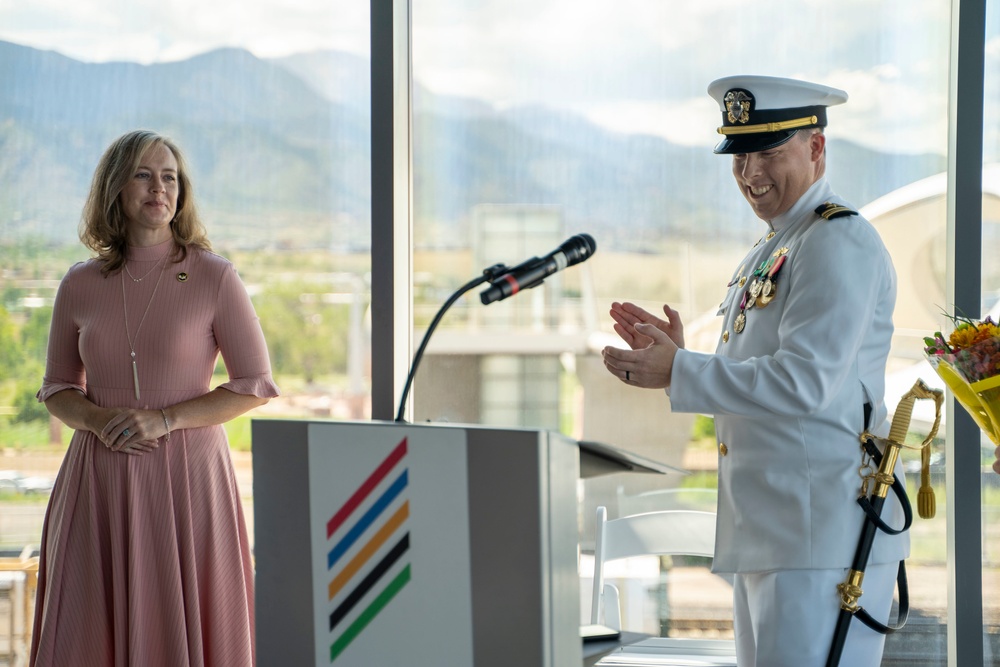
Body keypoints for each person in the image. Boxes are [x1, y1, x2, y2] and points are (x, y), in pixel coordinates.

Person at [601, 76, 908, 667]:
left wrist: (681, 371)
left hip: (818, 535)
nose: (750, 172)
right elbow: (768, 379)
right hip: (776, 528)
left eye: (770, 151)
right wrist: (681, 356)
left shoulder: (836, 240)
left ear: (816, 148)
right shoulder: (776, 245)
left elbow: (803, 382)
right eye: (740, 155)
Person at [30, 130, 279, 666]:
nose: (158, 187)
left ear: (182, 192)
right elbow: (56, 388)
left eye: (169, 177)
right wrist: (98, 420)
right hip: (98, 476)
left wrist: (165, 420)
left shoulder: (214, 275)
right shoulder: (80, 283)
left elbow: (253, 383)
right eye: (143, 174)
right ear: (116, 188)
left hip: (189, 477)